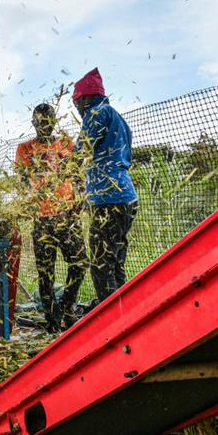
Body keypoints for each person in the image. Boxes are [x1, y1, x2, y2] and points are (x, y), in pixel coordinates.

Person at [15, 103, 86, 332]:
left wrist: (81, 198)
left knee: (80, 262)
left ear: (54, 121)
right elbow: (23, 182)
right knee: (45, 271)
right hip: (42, 219)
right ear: (34, 123)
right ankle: (52, 320)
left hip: (67, 216)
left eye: (48, 121)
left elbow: (76, 174)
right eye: (40, 121)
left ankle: (66, 306)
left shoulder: (65, 143)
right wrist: (29, 202)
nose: (44, 125)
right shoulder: (25, 149)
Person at [72, 68, 138, 302]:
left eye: (76, 103)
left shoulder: (96, 113)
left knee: (100, 265)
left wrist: (64, 169)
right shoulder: (117, 117)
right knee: (115, 262)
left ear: (85, 98)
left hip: (109, 198)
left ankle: (109, 324)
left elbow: (81, 150)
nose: (77, 110)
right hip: (125, 196)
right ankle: (125, 315)